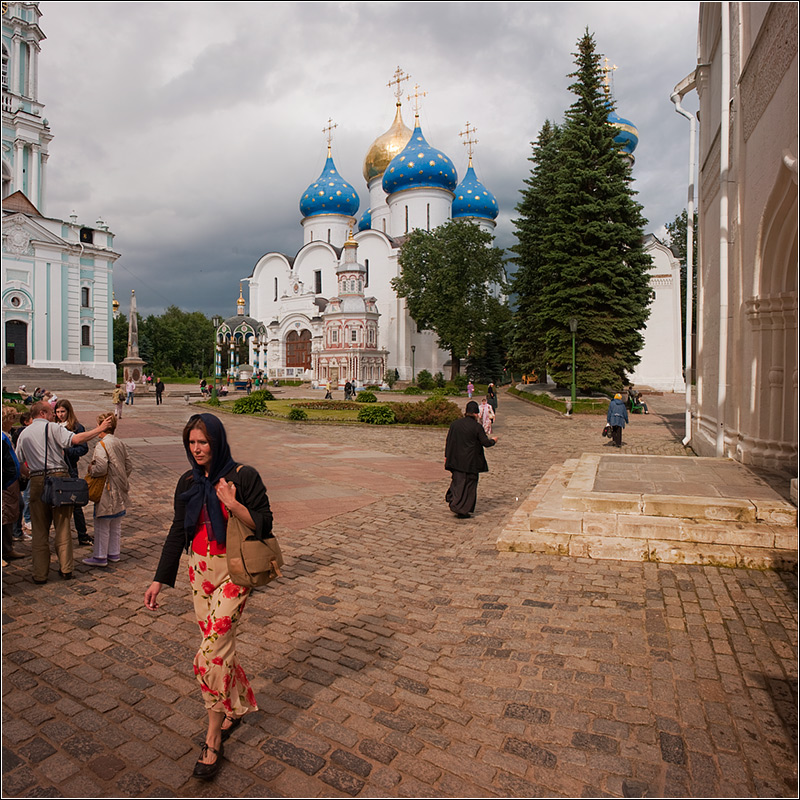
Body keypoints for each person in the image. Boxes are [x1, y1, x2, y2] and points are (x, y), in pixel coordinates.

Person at [144, 413, 272, 780]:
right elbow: (175, 533)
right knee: (221, 648)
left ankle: (213, 737)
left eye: (203, 442)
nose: (197, 449)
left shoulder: (243, 476)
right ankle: (236, 705)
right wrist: (159, 580)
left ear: (216, 441)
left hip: (235, 571)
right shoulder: (187, 480)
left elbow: (265, 523)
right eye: (192, 443)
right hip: (198, 572)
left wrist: (232, 503)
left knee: (210, 655)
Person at [15, 402, 113, 583]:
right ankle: (66, 569)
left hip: (36, 480)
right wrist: (99, 428)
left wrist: (31, 476)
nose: (54, 415)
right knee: (62, 527)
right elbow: (76, 440)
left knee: (39, 531)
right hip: (58, 479)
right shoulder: (52, 428)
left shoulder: (24, 433)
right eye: (52, 412)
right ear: (43, 413)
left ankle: (39, 574)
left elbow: (19, 462)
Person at [83, 413, 132, 567]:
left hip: (106, 488)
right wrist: (121, 476)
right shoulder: (119, 442)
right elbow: (129, 465)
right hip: (119, 488)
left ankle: (100, 555)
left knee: (102, 523)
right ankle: (114, 552)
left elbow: (101, 467)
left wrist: (91, 469)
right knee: (116, 524)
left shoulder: (102, 444)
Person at [444, 400, 497, 519]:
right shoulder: (476, 427)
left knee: (458, 482)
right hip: (471, 462)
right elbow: (485, 442)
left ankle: (455, 502)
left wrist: (447, 456)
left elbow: (449, 441)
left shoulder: (455, 424)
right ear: (476, 413)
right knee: (469, 486)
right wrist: (493, 440)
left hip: (457, 460)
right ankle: (463, 509)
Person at [54, 399, 93, 547]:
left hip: (70, 468)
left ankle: (82, 534)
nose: (60, 415)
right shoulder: (53, 427)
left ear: (68, 412)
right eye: (58, 412)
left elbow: (83, 448)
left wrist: (68, 451)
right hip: (56, 468)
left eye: (62, 411)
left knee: (75, 503)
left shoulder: (77, 427)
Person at [2, 407, 24, 564]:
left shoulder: (7, 435)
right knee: (4, 516)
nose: (13, 421)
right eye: (11, 418)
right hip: (5, 483)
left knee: (11, 514)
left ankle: (7, 548)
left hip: (11, 482)